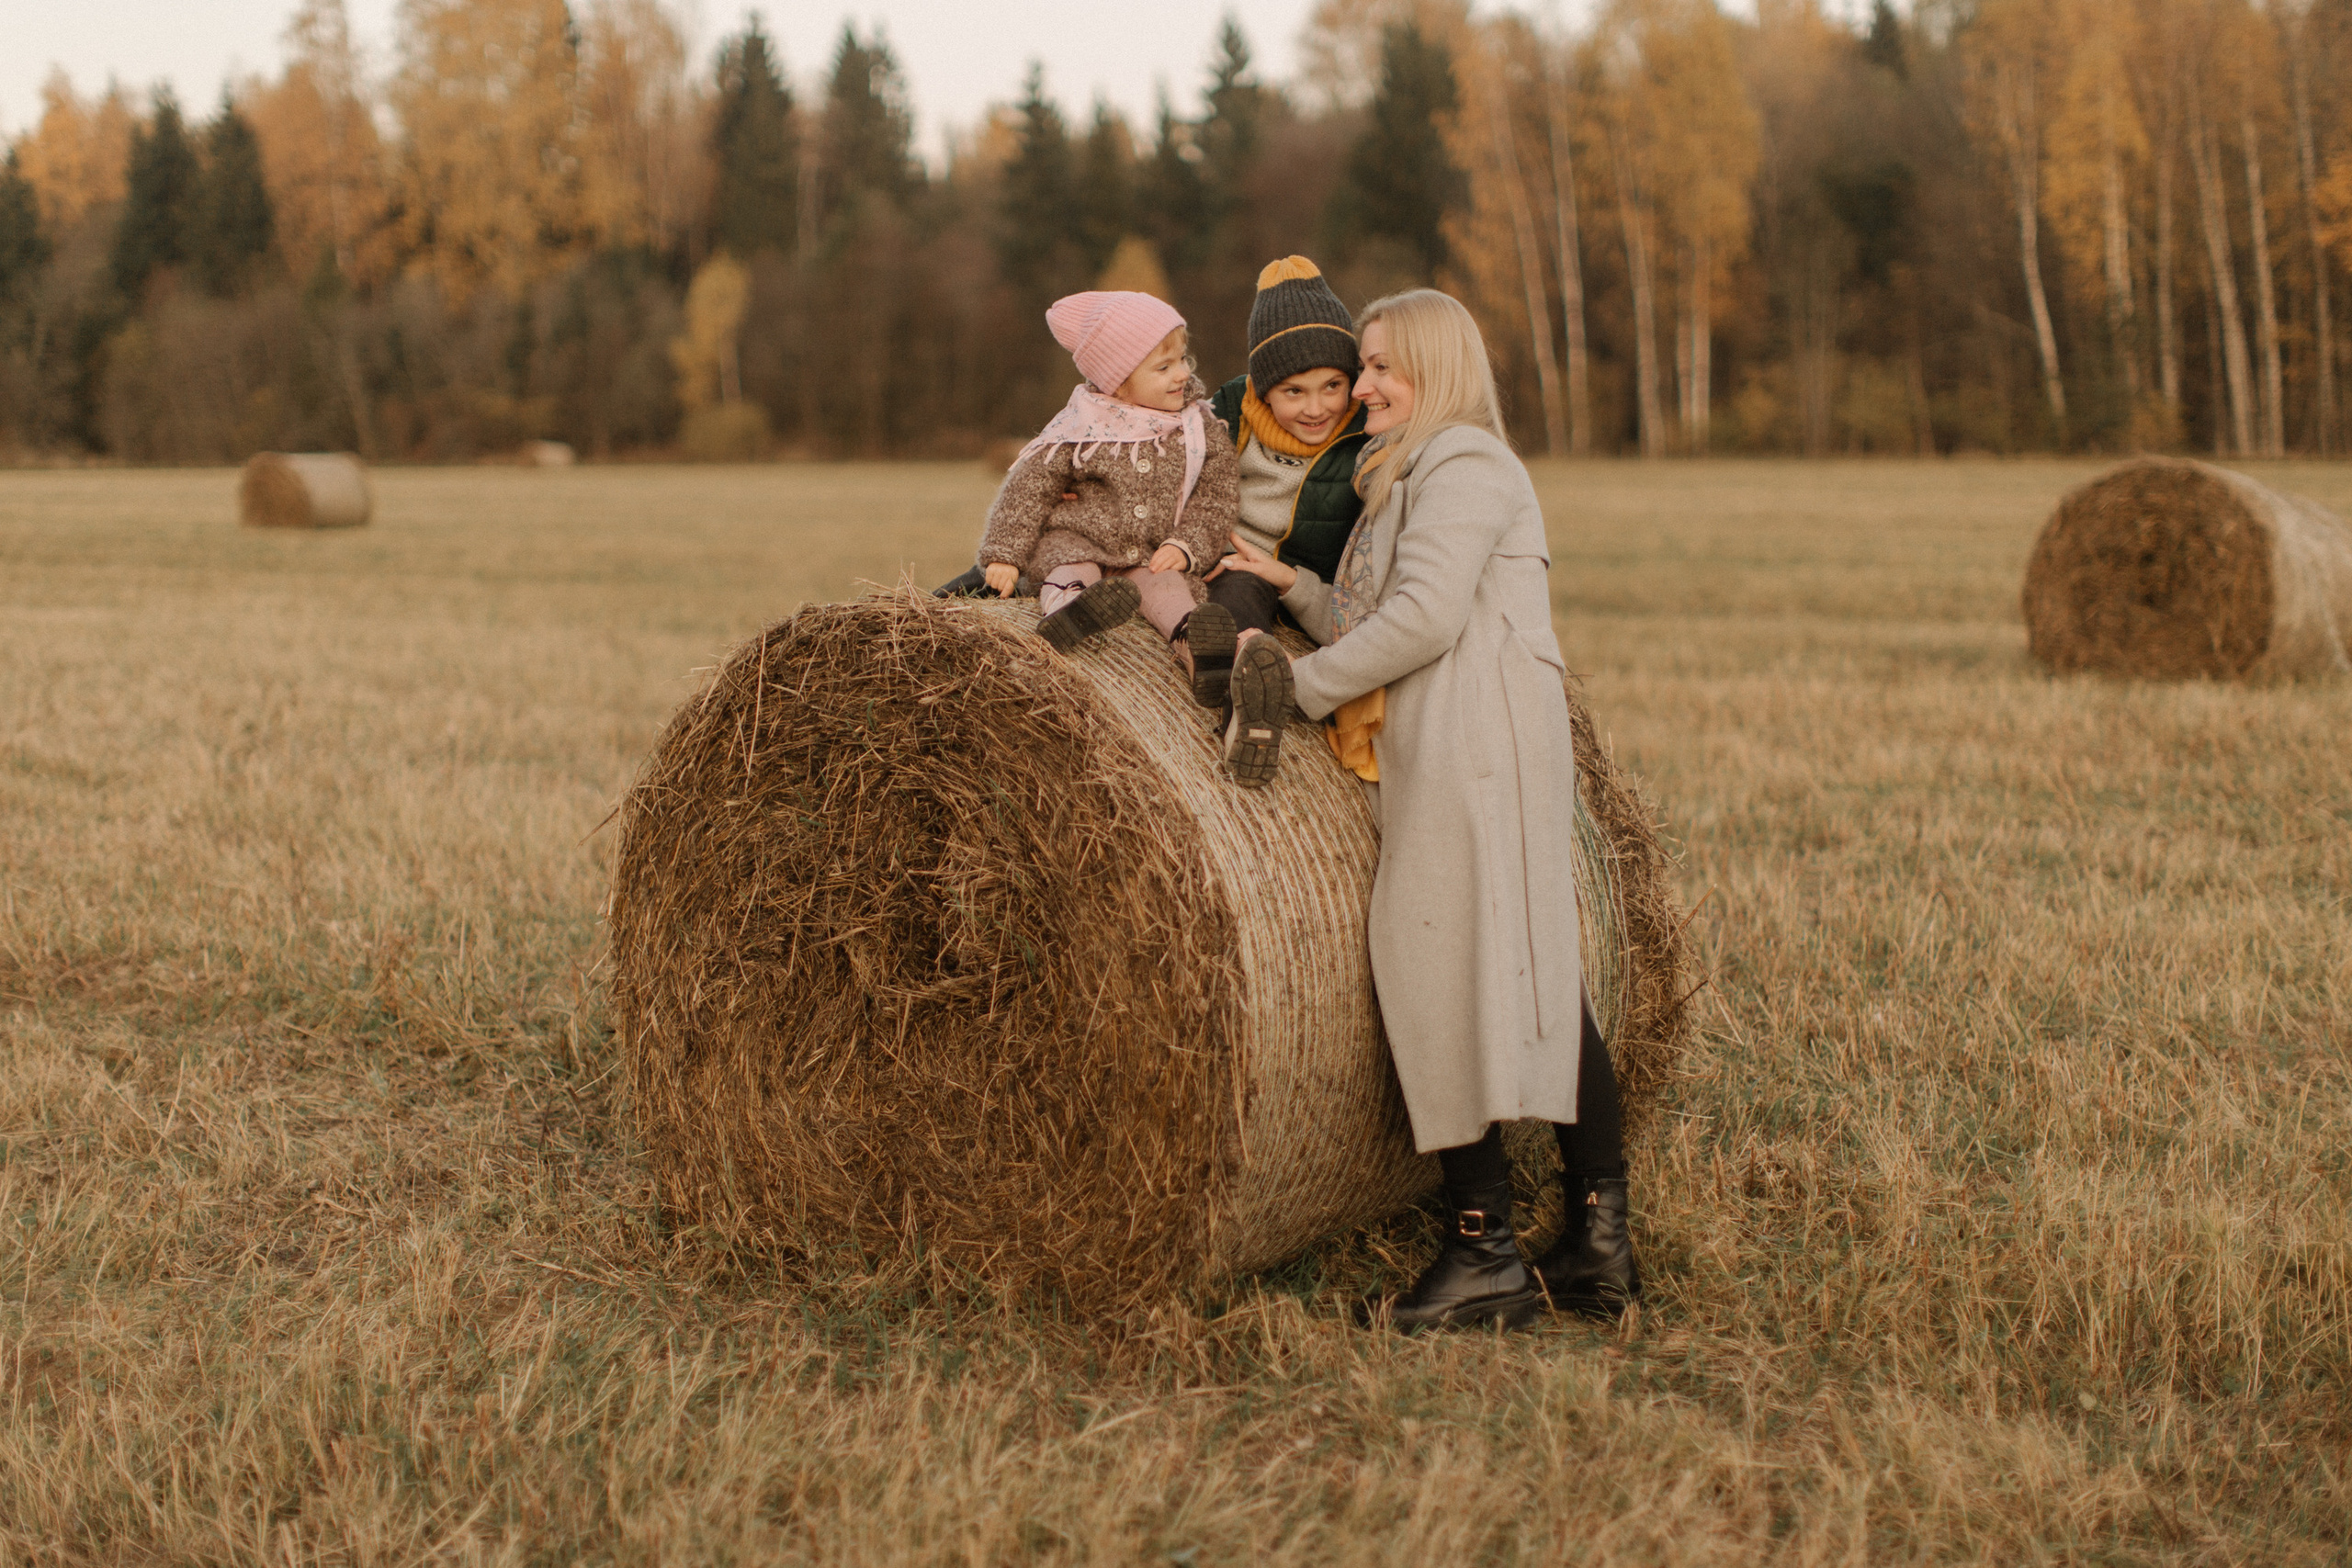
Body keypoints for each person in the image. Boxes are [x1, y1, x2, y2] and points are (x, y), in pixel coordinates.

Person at [1222, 288, 1641, 1331]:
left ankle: (1484, 1252)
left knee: (1434, 961)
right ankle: (1594, 1248)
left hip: (1479, 742)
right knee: (1522, 967)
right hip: (1458, 736)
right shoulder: (1412, 467)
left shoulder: (1462, 463)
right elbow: (1381, 612)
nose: (1360, 386)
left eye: (1377, 367)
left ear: (1434, 367)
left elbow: (1423, 617)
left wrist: (1298, 687)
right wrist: (1297, 591)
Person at [963, 289, 1293, 786]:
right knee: (1069, 564)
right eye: (1163, 368)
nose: (1182, 374)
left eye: (1182, 359)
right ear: (1117, 384)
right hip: (1080, 539)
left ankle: (1198, 651)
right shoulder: (1080, 427)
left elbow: (1216, 500)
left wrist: (1186, 546)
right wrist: (1003, 555)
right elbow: (1027, 490)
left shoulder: (1199, 427)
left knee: (1169, 588)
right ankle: (1067, 610)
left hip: (1151, 552)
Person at [1183, 257, 1374, 757]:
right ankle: (963, 603)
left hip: (1301, 583)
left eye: (1333, 386)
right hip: (1229, 559)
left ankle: (1250, 717)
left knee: (1245, 595)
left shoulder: (1365, 435)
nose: (1316, 408)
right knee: (1233, 598)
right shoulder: (1226, 413)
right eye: (1294, 392)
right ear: (1264, 391)